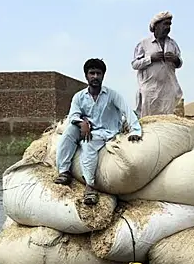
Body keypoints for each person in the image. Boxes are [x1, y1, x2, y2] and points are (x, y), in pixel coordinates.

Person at [54, 58, 141, 205]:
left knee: (88, 144)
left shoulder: (112, 95)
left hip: (106, 132)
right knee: (69, 131)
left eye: (98, 73)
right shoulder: (79, 97)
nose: (95, 77)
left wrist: (136, 131)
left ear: (103, 76)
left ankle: (90, 186)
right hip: (87, 129)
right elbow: (73, 115)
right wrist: (82, 123)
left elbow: (127, 111)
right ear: (86, 76)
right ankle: (64, 172)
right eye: (92, 73)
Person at [132, 11, 184, 118]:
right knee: (148, 120)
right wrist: (151, 59)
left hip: (168, 90)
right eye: (165, 24)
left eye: (169, 24)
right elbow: (135, 64)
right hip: (150, 91)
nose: (168, 27)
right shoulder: (144, 44)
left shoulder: (173, 44)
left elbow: (180, 63)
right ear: (156, 26)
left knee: (167, 121)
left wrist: (176, 60)